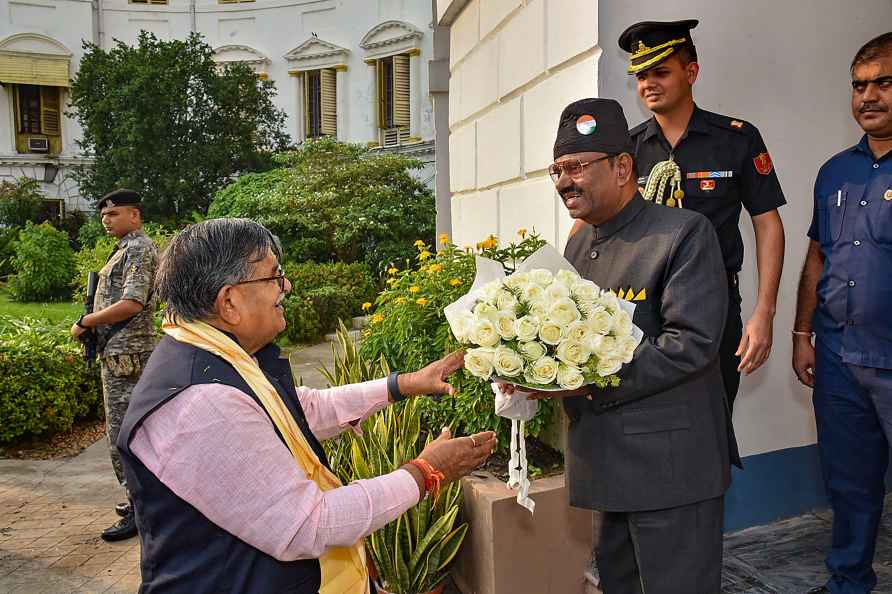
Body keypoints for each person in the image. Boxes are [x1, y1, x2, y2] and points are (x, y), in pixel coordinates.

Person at [115, 218, 495, 594]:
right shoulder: (201, 402)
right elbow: (309, 524)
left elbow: (301, 410)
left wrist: (403, 385)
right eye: (273, 277)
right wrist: (426, 471)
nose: (287, 286)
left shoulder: (214, 353)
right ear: (229, 302)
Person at [503, 98, 734, 594]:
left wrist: (576, 379)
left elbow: (689, 344)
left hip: (670, 472)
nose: (565, 180)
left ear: (623, 167)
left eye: (578, 167)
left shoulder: (683, 234)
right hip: (606, 470)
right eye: (557, 169)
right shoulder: (578, 245)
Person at [618, 19, 787, 411]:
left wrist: (765, 311)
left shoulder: (737, 138)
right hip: (642, 305)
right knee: (646, 420)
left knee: (713, 420)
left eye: (661, 71)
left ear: (691, 72)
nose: (648, 84)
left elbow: (767, 223)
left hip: (714, 302)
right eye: (641, 75)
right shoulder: (626, 149)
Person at [793, 32, 892, 594]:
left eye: (883, 82)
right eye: (859, 85)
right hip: (836, 359)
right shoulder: (834, 171)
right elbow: (817, 256)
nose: (868, 96)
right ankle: (848, 583)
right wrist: (802, 332)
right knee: (849, 484)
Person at [70, 188, 158, 542]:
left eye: (114, 214)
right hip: (119, 353)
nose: (107, 220)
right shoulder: (124, 249)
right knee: (126, 433)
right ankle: (136, 498)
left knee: (124, 436)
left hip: (129, 357)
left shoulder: (137, 249)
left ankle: (141, 510)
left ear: (134, 215)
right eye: (104, 215)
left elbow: (133, 302)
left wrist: (87, 321)